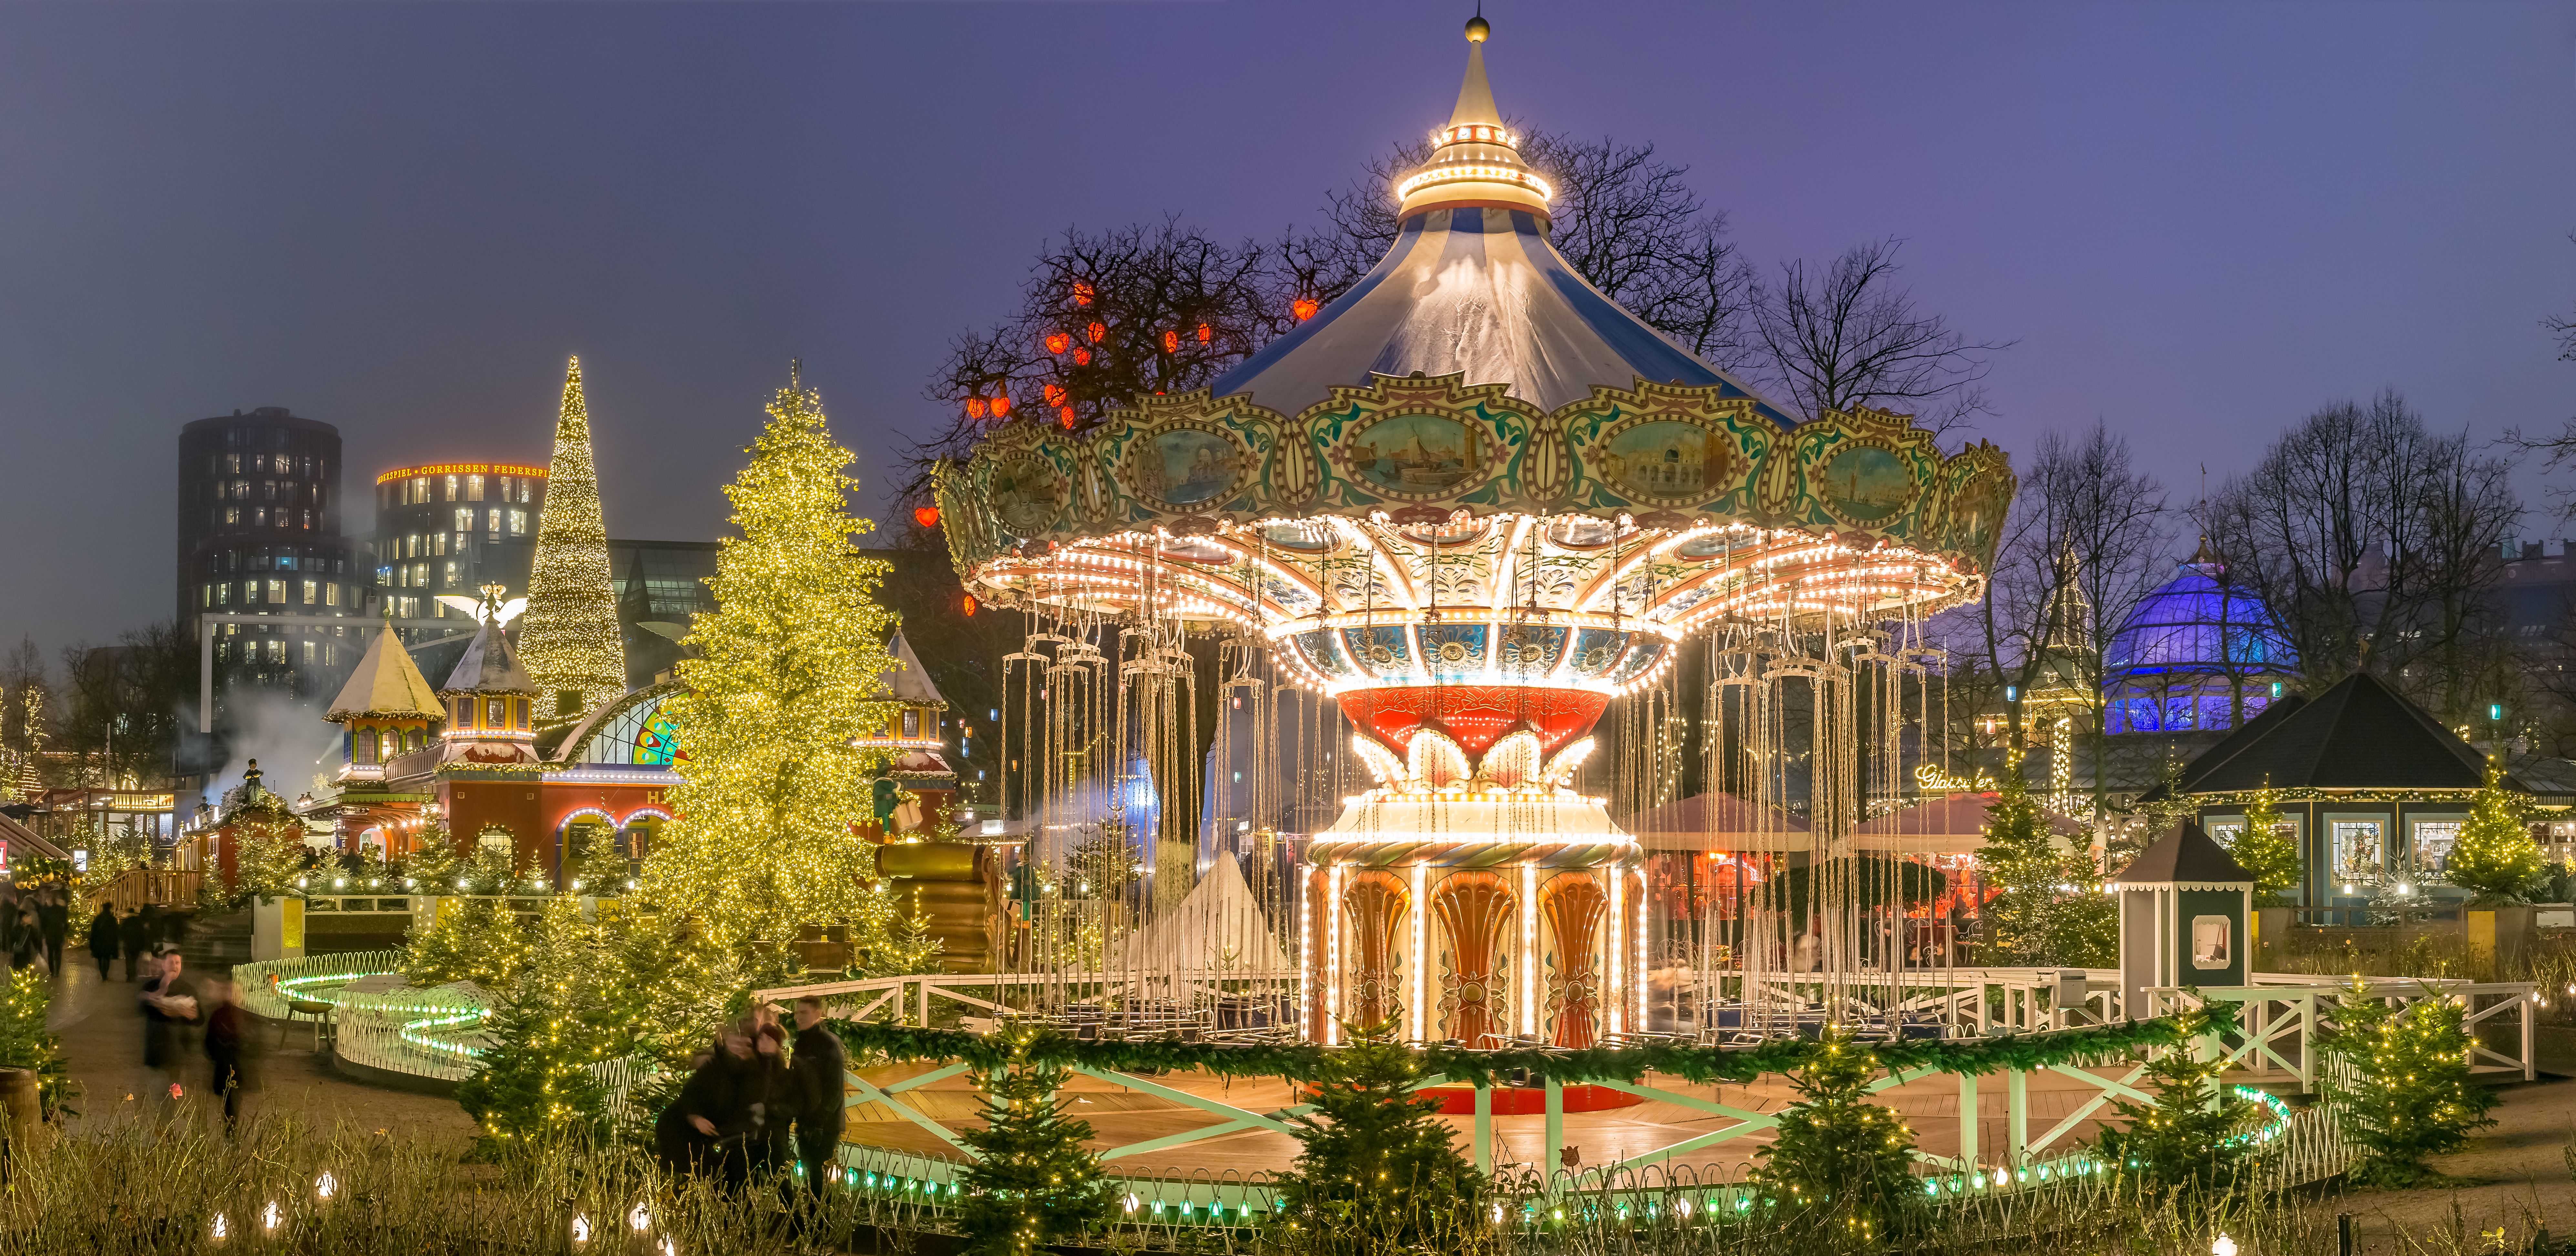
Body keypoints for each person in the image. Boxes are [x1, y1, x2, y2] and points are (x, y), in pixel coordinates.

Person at [655, 1028, 764, 1188]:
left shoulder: (749, 1073)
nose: (740, 1048)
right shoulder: (716, 1068)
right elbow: (690, 1096)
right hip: (682, 1131)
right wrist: (695, 1118)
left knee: (723, 1179)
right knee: (702, 1176)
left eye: (746, 1045)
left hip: (728, 1138)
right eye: (735, 1043)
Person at [788, 996, 847, 1198]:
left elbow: (835, 1088)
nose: (798, 1017)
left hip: (823, 1125)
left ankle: (821, 1214)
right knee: (811, 1175)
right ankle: (815, 1213)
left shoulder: (827, 1044)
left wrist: (819, 1122)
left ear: (818, 1014)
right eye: (797, 1013)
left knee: (819, 1178)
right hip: (807, 1121)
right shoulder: (802, 1042)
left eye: (803, 1013)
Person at [139, 946, 201, 1116]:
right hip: (157, 1051)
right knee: (158, 1095)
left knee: (172, 1098)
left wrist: (191, 1015)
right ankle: (161, 1127)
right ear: (163, 965)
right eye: (171, 963)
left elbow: (200, 1019)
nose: (174, 966)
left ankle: (166, 1128)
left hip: (177, 1052)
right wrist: (163, 990)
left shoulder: (188, 989)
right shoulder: (152, 986)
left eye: (178, 963)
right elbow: (144, 1007)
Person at [201, 975, 247, 1135]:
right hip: (224, 1066)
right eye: (228, 990)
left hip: (238, 1066)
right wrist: (218, 1055)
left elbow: (251, 1040)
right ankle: (230, 1132)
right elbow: (209, 1041)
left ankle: (231, 1132)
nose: (231, 994)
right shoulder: (218, 1015)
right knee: (229, 1102)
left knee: (232, 1102)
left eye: (234, 991)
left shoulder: (243, 1015)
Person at [36, 891, 67, 978]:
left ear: (50, 901)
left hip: (50, 935)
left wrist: (44, 933)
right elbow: (65, 922)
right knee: (58, 954)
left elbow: (43, 923)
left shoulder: (46, 911)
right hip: (59, 935)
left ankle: (52, 971)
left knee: (51, 954)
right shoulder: (61, 910)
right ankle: (57, 971)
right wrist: (64, 931)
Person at [118, 904, 150, 981]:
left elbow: (121, 932)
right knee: (135, 960)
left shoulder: (126, 922)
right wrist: (144, 944)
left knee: (129, 960)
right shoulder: (139, 922)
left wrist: (122, 941)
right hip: (137, 944)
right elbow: (142, 933)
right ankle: (134, 973)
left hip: (128, 944)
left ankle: (130, 974)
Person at [88, 903, 120, 980]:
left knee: (100, 959)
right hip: (109, 943)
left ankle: (102, 972)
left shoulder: (98, 919)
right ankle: (105, 973)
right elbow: (116, 932)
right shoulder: (112, 919)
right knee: (107, 958)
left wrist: (92, 943)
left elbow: (94, 932)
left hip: (99, 942)